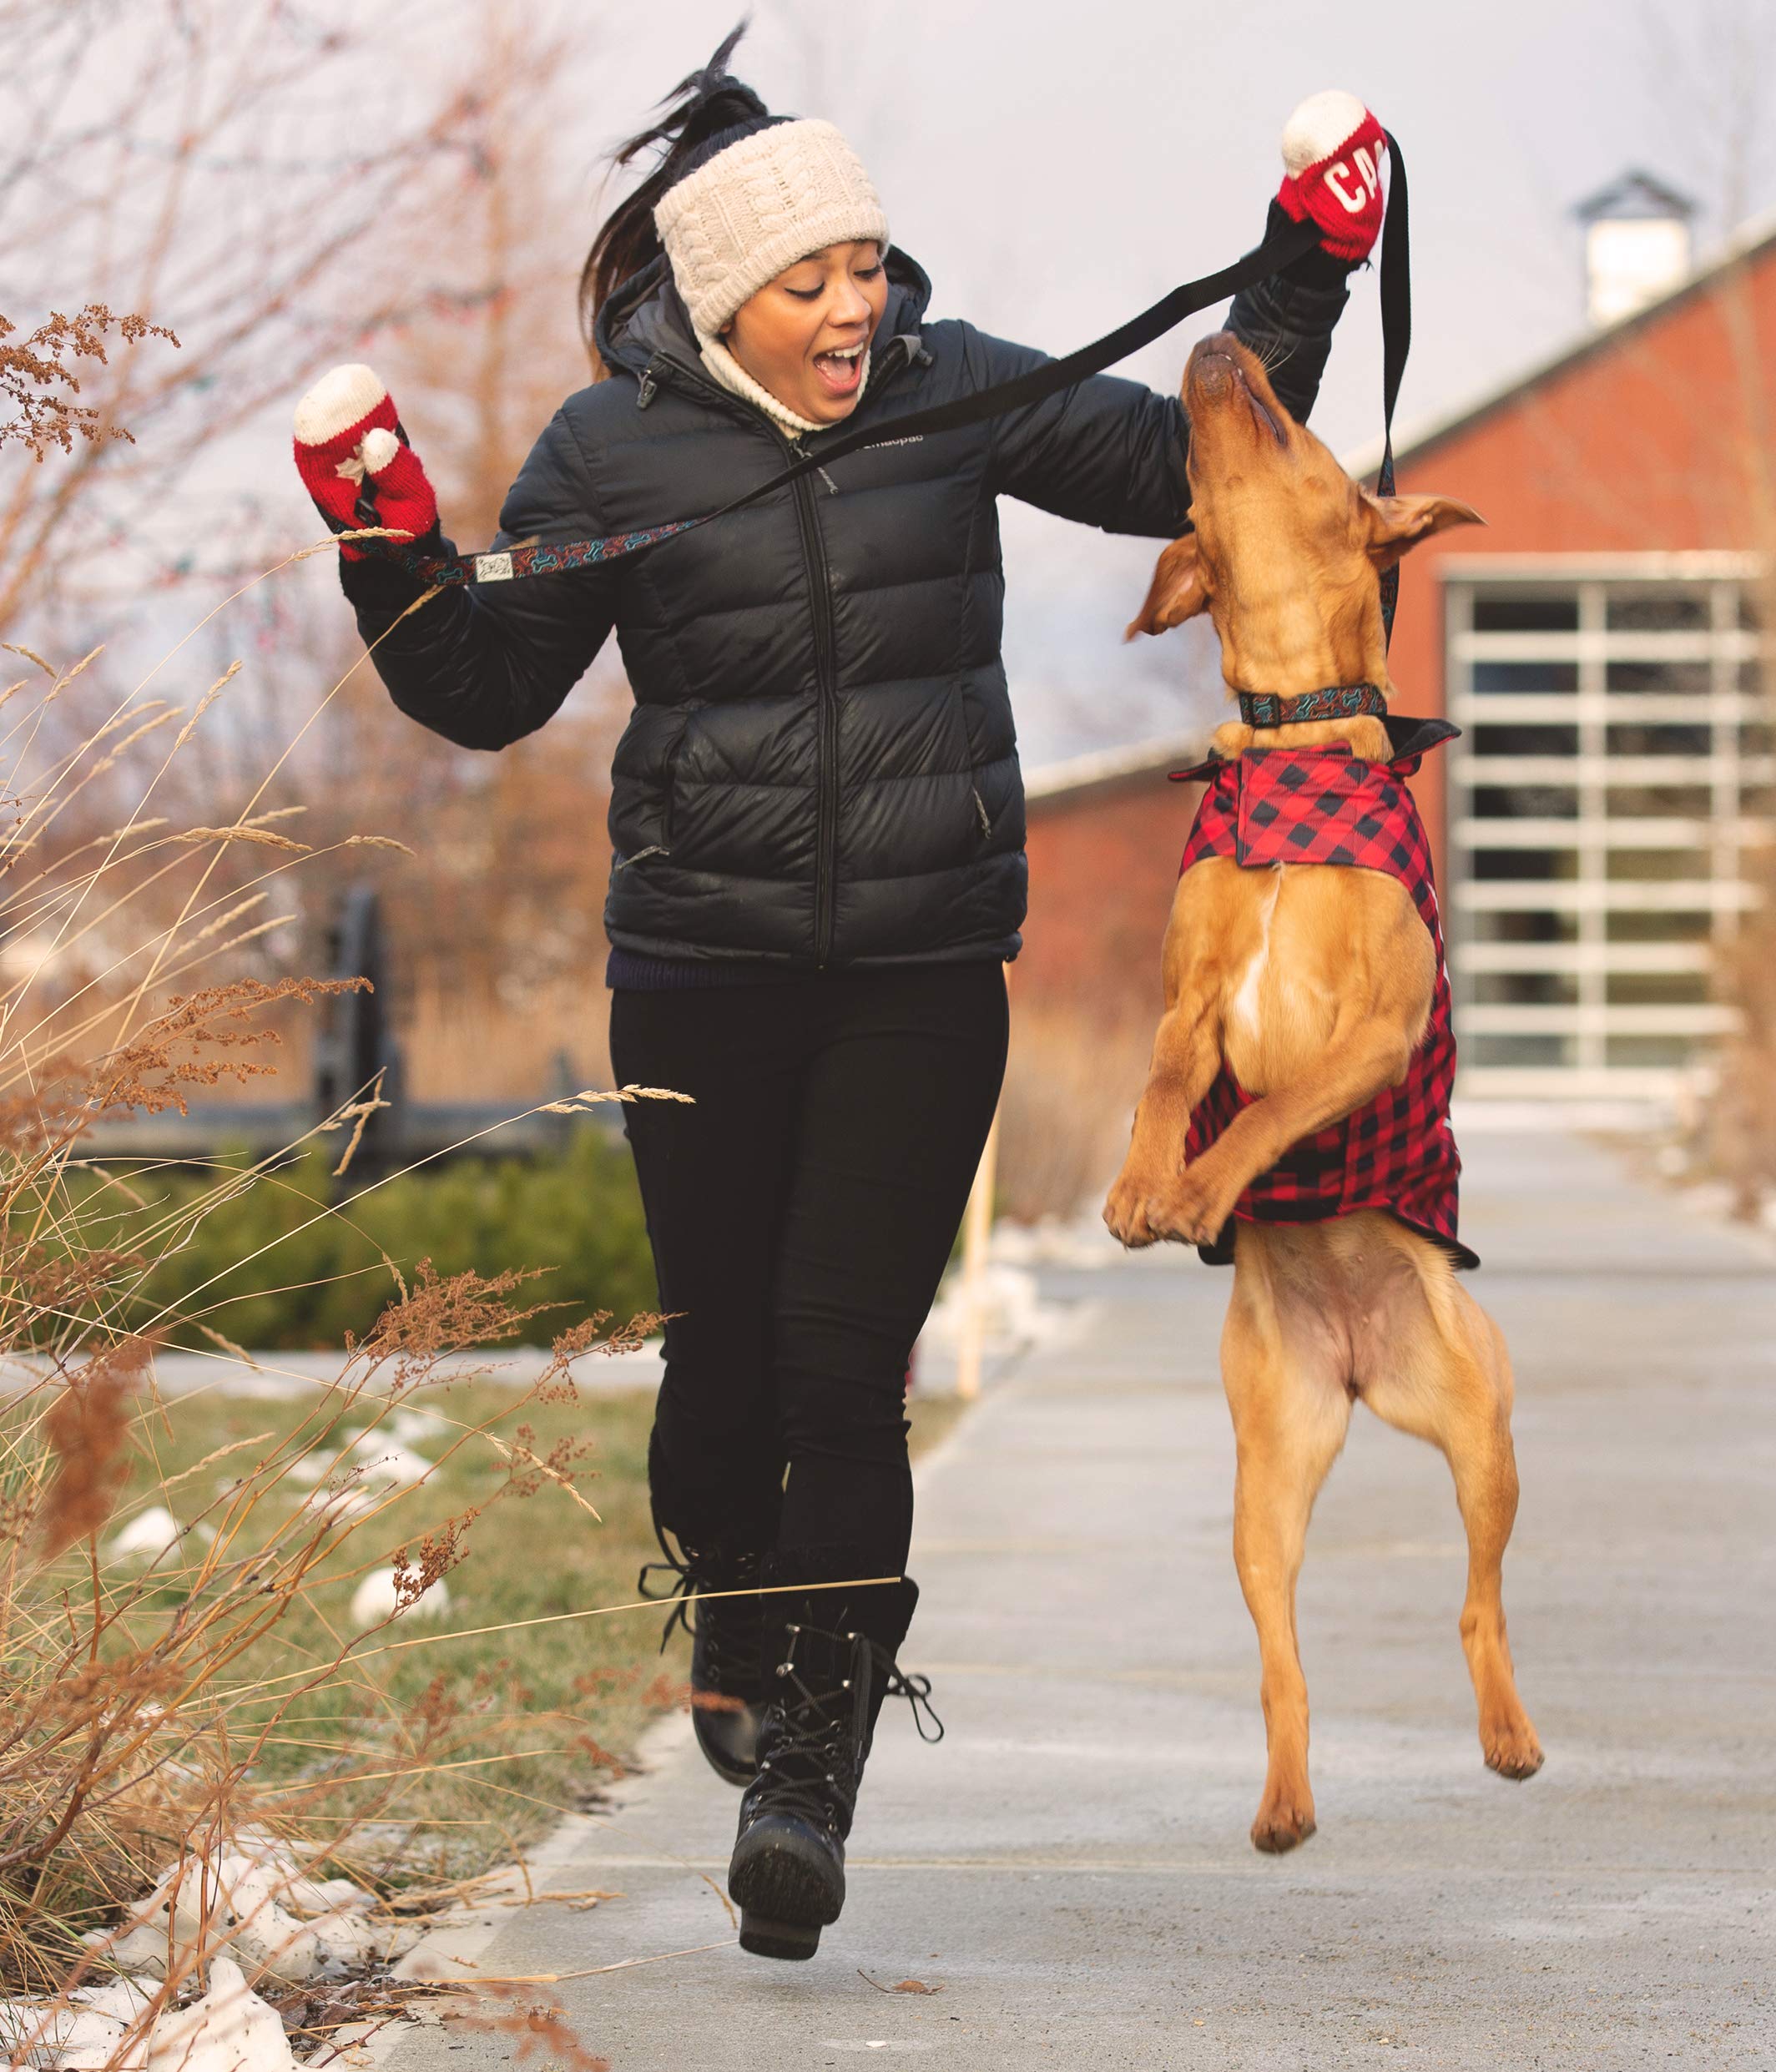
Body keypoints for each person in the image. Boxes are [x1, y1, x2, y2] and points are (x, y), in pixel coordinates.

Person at [291, 28, 1390, 1960]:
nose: (851, 309)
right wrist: (383, 532)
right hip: (700, 973)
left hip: (919, 961)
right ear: (721, 298)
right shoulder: (605, 452)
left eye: (865, 269)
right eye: (810, 283)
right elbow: (484, 690)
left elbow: (1174, 471)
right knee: (719, 1381)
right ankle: (730, 1602)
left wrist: (1304, 258)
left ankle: (812, 1767)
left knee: (837, 1358)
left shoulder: (948, 393)